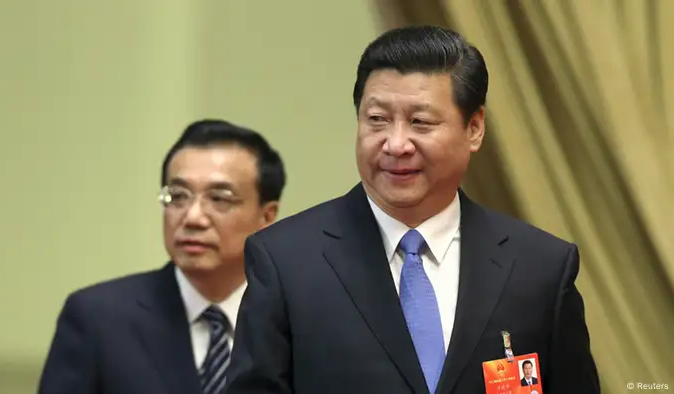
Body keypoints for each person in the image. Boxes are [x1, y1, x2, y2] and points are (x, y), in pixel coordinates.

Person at [225, 26, 600, 394]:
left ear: (474, 128)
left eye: (420, 122)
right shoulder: (286, 261)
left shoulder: (540, 267)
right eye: (377, 120)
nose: (396, 144)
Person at [37, 119, 287, 394]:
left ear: (267, 217)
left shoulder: (296, 319)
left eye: (219, 198)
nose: (192, 217)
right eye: (178, 196)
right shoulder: (98, 318)